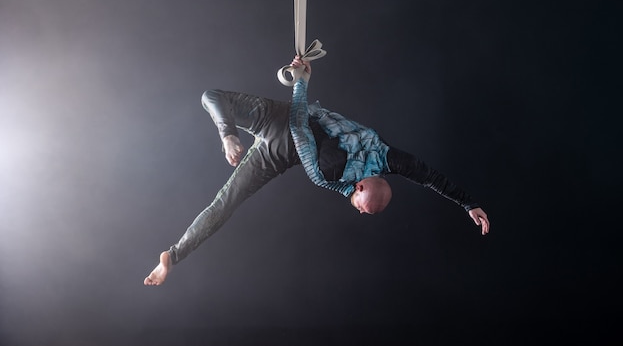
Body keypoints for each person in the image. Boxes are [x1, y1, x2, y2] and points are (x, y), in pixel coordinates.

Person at [144, 56, 490, 286]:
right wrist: (301, 82)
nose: (358, 212)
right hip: (283, 135)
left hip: (284, 120)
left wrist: (468, 203)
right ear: (359, 191)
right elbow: (298, 127)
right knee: (225, 203)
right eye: (362, 208)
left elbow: (430, 175)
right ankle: (173, 255)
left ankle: (175, 252)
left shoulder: (389, 158)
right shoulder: (328, 173)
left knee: (211, 96)